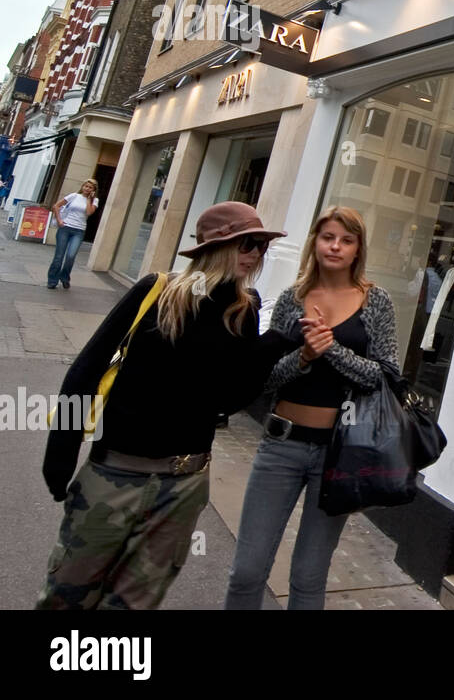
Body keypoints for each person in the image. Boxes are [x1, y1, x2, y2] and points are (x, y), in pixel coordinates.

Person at [38, 201, 293, 609]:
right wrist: (61, 455)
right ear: (218, 247)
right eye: (248, 244)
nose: (256, 254)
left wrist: (273, 346)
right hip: (114, 473)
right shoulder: (157, 290)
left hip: (184, 483)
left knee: (133, 605)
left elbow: (229, 399)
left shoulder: (243, 309)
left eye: (262, 246)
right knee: (67, 596)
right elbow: (84, 372)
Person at [225, 206, 399, 610]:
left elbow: (384, 377)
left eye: (346, 240)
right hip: (279, 445)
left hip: (338, 454)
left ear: (358, 250)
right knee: (247, 570)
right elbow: (264, 380)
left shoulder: (376, 302)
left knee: (308, 576)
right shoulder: (292, 299)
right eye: (328, 237)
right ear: (315, 243)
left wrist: (332, 349)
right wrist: (303, 356)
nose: (335, 246)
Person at [47, 179, 98, 289]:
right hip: (65, 228)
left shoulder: (95, 200)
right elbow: (56, 206)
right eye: (86, 186)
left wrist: (89, 199)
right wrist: (60, 220)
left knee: (71, 256)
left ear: (93, 190)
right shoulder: (74, 196)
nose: (87, 188)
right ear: (82, 186)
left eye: (90, 187)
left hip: (79, 231)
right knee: (59, 256)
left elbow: (89, 212)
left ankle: (64, 277)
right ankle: (52, 280)